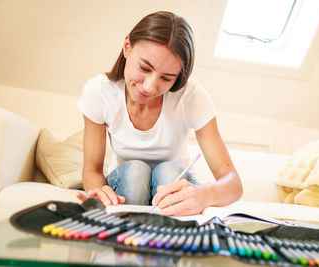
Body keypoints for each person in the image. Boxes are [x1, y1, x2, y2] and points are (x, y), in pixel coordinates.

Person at [76, 11, 242, 216]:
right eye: (145, 68)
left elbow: (233, 184)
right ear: (127, 47)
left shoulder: (191, 97)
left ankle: (163, 241)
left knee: (169, 172)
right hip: (127, 188)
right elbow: (91, 170)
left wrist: (204, 194)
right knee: (135, 171)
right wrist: (100, 194)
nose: (149, 87)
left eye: (167, 78)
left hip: (172, 187)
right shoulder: (99, 91)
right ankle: (126, 239)